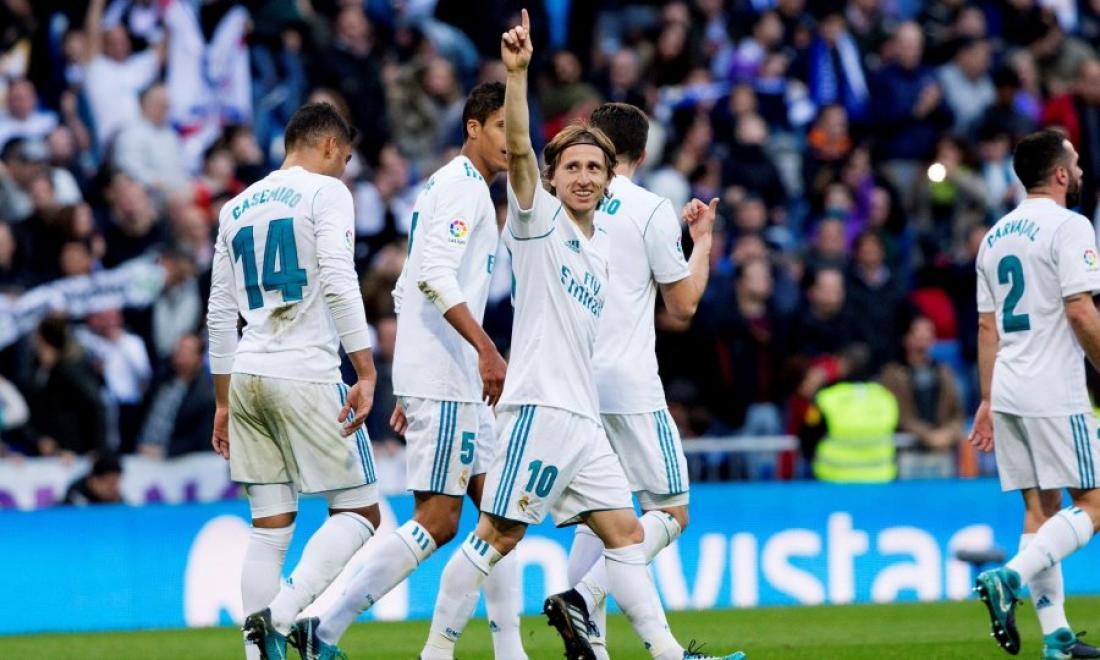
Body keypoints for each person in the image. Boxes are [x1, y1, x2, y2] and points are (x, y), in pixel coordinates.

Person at [417, 11, 742, 660]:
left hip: (585, 417)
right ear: (552, 177)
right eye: (573, 168)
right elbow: (518, 151)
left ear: (610, 175)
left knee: (626, 534)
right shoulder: (538, 222)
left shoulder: (595, 248)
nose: (586, 177)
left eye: (596, 167)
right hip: (541, 410)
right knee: (495, 539)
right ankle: (436, 651)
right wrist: (516, 75)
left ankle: (664, 654)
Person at [292, 82, 527, 660]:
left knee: (500, 516)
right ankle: (323, 625)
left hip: (448, 376)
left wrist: (408, 375)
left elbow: (407, 282)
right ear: (473, 127)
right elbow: (434, 276)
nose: (511, 139)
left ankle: (510, 650)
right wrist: (484, 349)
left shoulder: (454, 186)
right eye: (502, 126)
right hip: (450, 377)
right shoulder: (463, 189)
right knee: (440, 520)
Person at [205, 102, 380, 660]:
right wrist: (366, 368)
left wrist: (222, 402)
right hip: (305, 371)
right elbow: (338, 276)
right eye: (345, 158)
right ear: (329, 145)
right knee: (361, 512)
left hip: (247, 373)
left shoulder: (234, 208)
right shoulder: (326, 192)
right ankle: (278, 619)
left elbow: (218, 314)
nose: (345, 170)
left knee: (269, 527)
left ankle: (257, 655)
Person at [543, 101, 717, 659]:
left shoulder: (556, 203)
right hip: (629, 384)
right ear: (643, 152)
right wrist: (703, 241)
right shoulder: (649, 209)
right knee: (672, 511)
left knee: (597, 519)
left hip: (568, 384)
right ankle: (583, 597)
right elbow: (682, 306)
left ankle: (592, 646)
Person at [971, 128, 1100, 659]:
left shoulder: (994, 236)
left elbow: (986, 327)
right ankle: (1010, 577)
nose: (1082, 171)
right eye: (1076, 162)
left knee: (1041, 511)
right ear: (1061, 173)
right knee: (1094, 503)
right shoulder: (1070, 226)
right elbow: (1080, 310)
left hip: (1008, 389)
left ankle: (1057, 639)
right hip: (1053, 387)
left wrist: (986, 400)